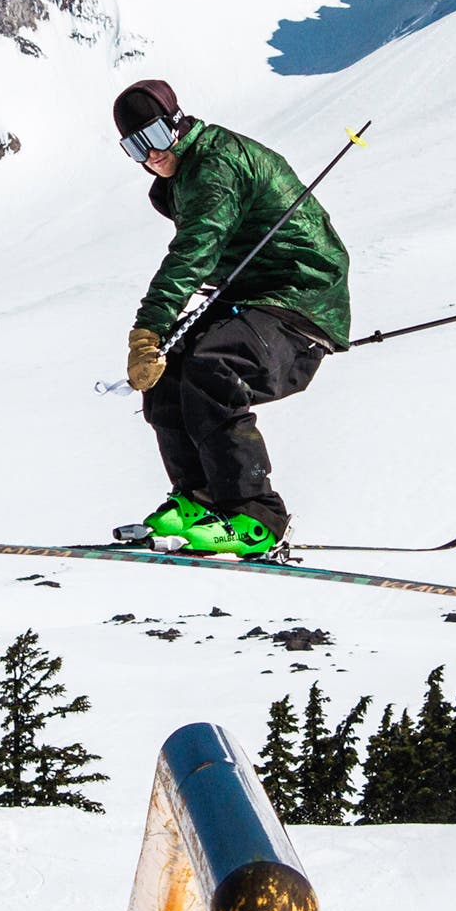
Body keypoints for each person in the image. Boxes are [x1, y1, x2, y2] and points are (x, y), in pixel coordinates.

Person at [115, 79, 349, 558]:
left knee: (210, 364)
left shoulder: (215, 167)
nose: (151, 155)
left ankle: (256, 517)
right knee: (170, 368)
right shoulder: (182, 176)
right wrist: (159, 342)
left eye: (156, 137)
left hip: (301, 298)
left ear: (178, 124)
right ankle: (199, 499)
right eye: (135, 146)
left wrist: (147, 329)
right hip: (251, 296)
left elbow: (193, 253)